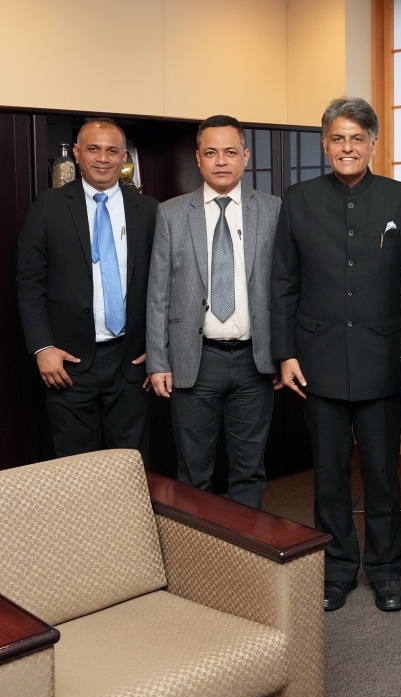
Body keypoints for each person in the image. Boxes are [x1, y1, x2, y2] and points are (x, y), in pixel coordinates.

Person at [271, 97, 401, 612]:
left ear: (373, 144)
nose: (347, 147)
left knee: (382, 474)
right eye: (338, 138)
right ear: (324, 144)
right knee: (329, 475)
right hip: (317, 360)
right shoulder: (298, 199)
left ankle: (385, 570)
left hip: (385, 356)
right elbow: (283, 281)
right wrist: (285, 353)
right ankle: (337, 570)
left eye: (357, 138)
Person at [145, 115, 281, 509]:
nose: (221, 161)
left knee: (249, 470)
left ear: (246, 157)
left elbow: (285, 287)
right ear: (198, 158)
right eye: (211, 153)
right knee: (193, 472)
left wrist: (284, 353)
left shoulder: (272, 209)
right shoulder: (172, 212)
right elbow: (158, 292)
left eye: (230, 152)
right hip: (195, 360)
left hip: (254, 361)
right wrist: (158, 361)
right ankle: (198, 547)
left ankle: (246, 545)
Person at [18, 118, 158, 463]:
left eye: (112, 150)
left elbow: (166, 285)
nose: (103, 158)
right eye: (93, 149)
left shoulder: (150, 211)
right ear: (77, 154)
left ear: (124, 157)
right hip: (68, 362)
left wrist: (159, 348)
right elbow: (29, 283)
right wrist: (42, 347)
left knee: (130, 463)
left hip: (130, 361)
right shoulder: (48, 207)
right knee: (76, 466)